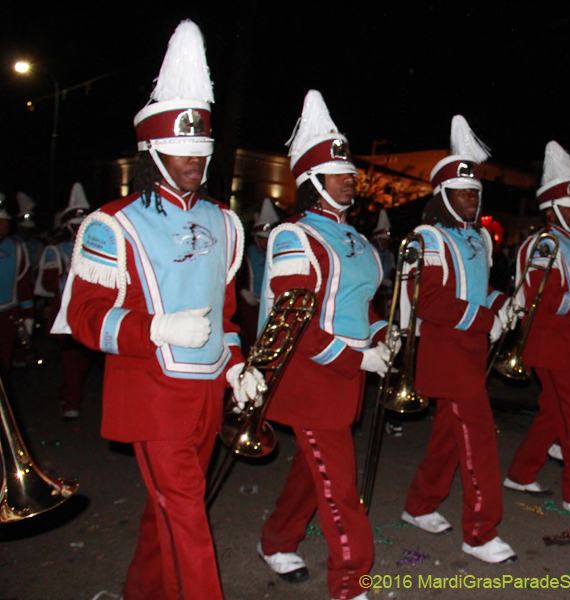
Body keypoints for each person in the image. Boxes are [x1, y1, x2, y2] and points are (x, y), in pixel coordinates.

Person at [53, 21, 260, 600]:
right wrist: (156, 328)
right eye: (182, 150)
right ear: (152, 149)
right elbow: (86, 317)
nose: (195, 161)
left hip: (206, 390)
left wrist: (237, 363)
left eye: (202, 150)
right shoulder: (113, 223)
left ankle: (140, 590)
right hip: (150, 389)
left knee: (168, 509)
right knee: (188, 518)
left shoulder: (225, 220)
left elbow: (224, 311)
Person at [256, 90, 390, 600]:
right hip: (311, 377)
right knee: (340, 488)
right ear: (312, 181)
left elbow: (363, 307)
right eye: (339, 171)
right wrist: (360, 356)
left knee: (315, 474)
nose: (350, 177)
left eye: (351, 170)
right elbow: (300, 327)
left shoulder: (353, 238)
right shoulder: (294, 237)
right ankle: (351, 583)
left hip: (345, 376)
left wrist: (380, 335)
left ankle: (276, 538)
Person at [401, 115, 517, 563]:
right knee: (479, 439)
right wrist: (484, 318)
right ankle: (480, 532)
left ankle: (419, 504)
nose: (472, 199)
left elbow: (476, 290)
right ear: (443, 195)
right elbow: (429, 301)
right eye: (464, 192)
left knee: (451, 437)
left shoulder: (479, 238)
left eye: (476, 192)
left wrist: (502, 302)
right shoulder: (428, 237)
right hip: (445, 352)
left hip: (471, 349)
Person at [505, 141, 570, 518]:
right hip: (553, 347)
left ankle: (520, 472)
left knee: (554, 415)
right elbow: (548, 300)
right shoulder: (543, 245)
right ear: (552, 208)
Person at [35, 183, 91, 418]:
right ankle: (71, 403)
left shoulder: (97, 248)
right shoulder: (55, 251)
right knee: (71, 358)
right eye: (76, 226)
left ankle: (67, 392)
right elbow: (48, 284)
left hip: (89, 309)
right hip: (65, 310)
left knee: (84, 359)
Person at [239, 197, 279, 354]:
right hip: (247, 312)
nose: (266, 243)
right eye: (263, 239)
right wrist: (242, 293)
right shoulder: (243, 257)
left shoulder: (276, 258)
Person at [0, 196, 34, 373]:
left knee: (4, 362)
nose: (4, 226)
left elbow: (23, 284)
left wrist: (28, 316)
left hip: (7, 315)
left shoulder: (17, 248)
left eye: (5, 221)